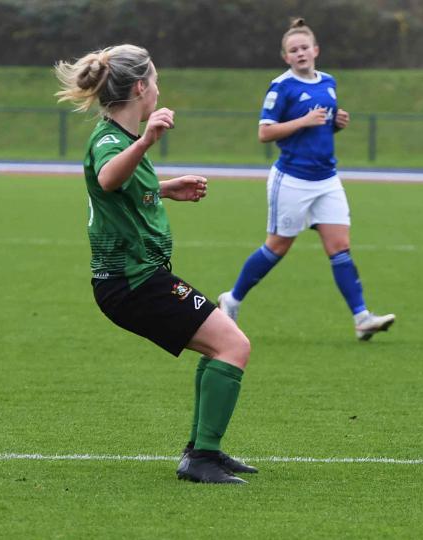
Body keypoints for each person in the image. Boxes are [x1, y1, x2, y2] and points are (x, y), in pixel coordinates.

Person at [55, 44, 258, 484]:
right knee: (233, 345)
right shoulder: (113, 138)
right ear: (142, 87)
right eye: (157, 81)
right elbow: (108, 178)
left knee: (222, 341)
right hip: (132, 282)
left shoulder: (119, 138)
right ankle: (201, 458)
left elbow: (120, 188)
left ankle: (205, 452)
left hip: (138, 279)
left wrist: (164, 189)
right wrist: (149, 141)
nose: (159, 89)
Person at [216, 18, 395, 341]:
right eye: (293, 50)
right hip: (292, 179)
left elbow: (322, 126)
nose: (300, 53)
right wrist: (304, 120)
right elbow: (264, 132)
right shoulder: (281, 87)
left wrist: (336, 123)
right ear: (285, 57)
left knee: (340, 247)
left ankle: (362, 318)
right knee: (278, 246)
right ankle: (232, 299)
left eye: (304, 48)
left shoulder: (328, 81)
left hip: (327, 179)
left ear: (316, 50)